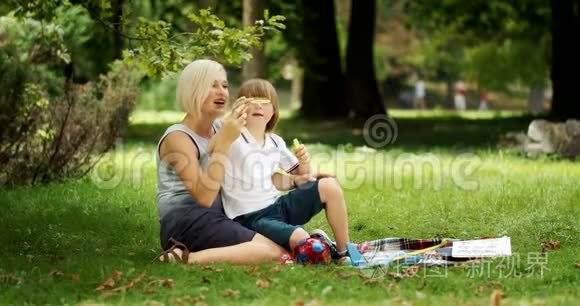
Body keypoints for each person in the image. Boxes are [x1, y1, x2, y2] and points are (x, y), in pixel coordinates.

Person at [155, 59, 288, 264]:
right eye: (213, 85)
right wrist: (225, 142)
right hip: (186, 223)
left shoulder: (221, 127)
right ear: (193, 90)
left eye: (225, 86)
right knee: (273, 252)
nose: (222, 92)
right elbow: (204, 197)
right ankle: (184, 258)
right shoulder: (178, 138)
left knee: (283, 243)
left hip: (221, 216)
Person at [221, 78, 351, 258]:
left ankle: (345, 252)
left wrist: (304, 161)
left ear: (273, 110)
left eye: (265, 102)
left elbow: (304, 176)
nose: (259, 107)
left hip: (277, 207)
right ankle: (314, 241)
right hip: (250, 219)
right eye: (252, 101)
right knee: (301, 238)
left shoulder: (275, 142)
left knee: (330, 186)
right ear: (239, 107)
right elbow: (218, 143)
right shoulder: (232, 137)